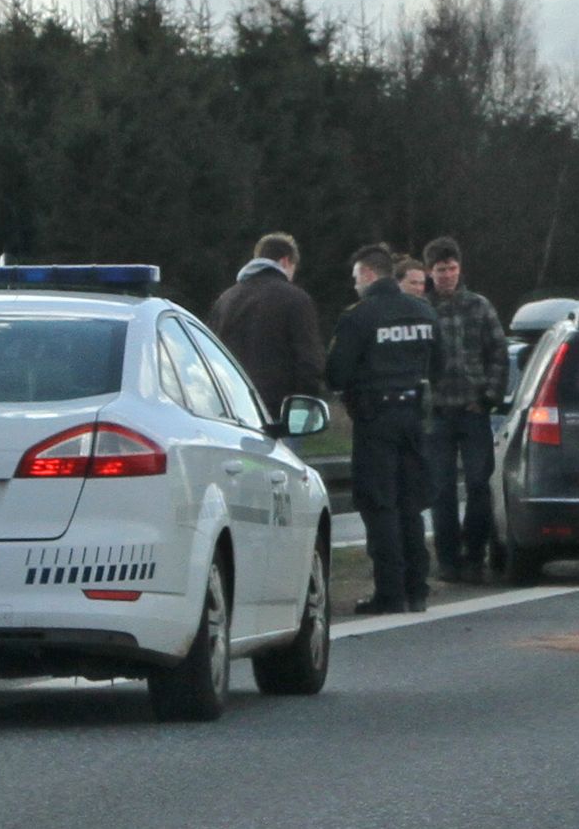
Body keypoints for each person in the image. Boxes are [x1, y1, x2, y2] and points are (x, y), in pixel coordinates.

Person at [327, 242, 440, 614]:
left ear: (369, 274)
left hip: (375, 420)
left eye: (356, 278)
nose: (355, 285)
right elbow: (439, 366)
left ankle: (390, 593)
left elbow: (336, 373)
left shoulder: (360, 317)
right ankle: (417, 589)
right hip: (414, 418)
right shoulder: (424, 312)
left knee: (380, 505)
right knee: (411, 504)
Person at [421, 237, 508, 583]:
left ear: (460, 269)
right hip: (437, 412)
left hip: (473, 409)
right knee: (440, 489)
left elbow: (498, 353)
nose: (447, 275)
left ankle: (475, 555)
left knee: (478, 484)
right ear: (430, 272)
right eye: (441, 270)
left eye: (452, 268)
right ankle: (447, 559)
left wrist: (489, 397)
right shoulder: (422, 309)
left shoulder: (479, 306)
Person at [207, 233, 323, 415]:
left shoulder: (225, 300)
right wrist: (305, 405)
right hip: (277, 410)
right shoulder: (296, 299)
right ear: (286, 261)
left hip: (231, 406)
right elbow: (308, 361)